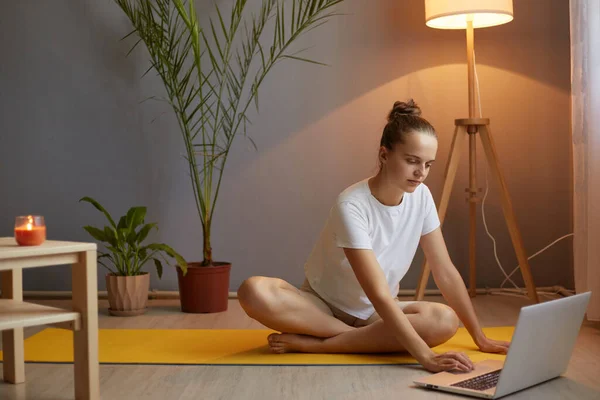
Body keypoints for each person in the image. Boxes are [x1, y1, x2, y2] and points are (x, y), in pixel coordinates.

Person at [237, 99, 510, 373]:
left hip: (375, 316)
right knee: (253, 290)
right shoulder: (351, 205)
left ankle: (320, 345)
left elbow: (445, 272)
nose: (421, 173)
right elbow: (377, 292)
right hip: (320, 310)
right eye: (412, 161)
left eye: (428, 164)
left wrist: (480, 337)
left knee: (444, 320)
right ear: (383, 155)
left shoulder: (422, 197)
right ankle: (347, 337)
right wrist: (425, 356)